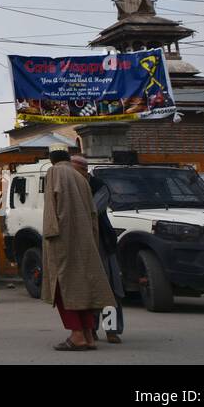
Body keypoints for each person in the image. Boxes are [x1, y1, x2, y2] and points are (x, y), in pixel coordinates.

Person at [42, 150, 114, 351]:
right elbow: (93, 213)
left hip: (62, 239)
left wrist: (49, 234)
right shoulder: (81, 178)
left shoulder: (54, 172)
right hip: (85, 240)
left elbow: (51, 205)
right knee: (83, 288)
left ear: (52, 160)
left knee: (62, 288)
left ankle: (77, 335)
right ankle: (89, 334)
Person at [75, 159, 125, 344]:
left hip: (102, 243)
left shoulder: (98, 186)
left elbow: (92, 211)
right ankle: (91, 329)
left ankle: (111, 330)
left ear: (83, 171)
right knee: (89, 289)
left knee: (109, 288)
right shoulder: (73, 187)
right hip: (83, 246)